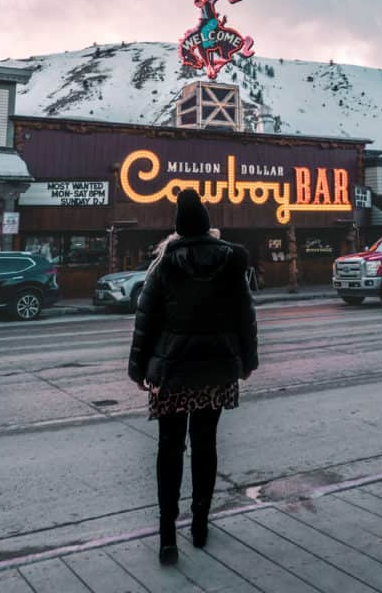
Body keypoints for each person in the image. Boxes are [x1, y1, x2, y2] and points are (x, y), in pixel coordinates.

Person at [128, 190, 259, 565]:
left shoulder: (165, 263)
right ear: (206, 226)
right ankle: (200, 523)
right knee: (206, 446)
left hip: (171, 373)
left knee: (169, 451)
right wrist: (247, 362)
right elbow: (245, 316)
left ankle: (167, 536)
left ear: (179, 228)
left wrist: (138, 369)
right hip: (216, 371)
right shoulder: (231, 262)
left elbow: (145, 320)